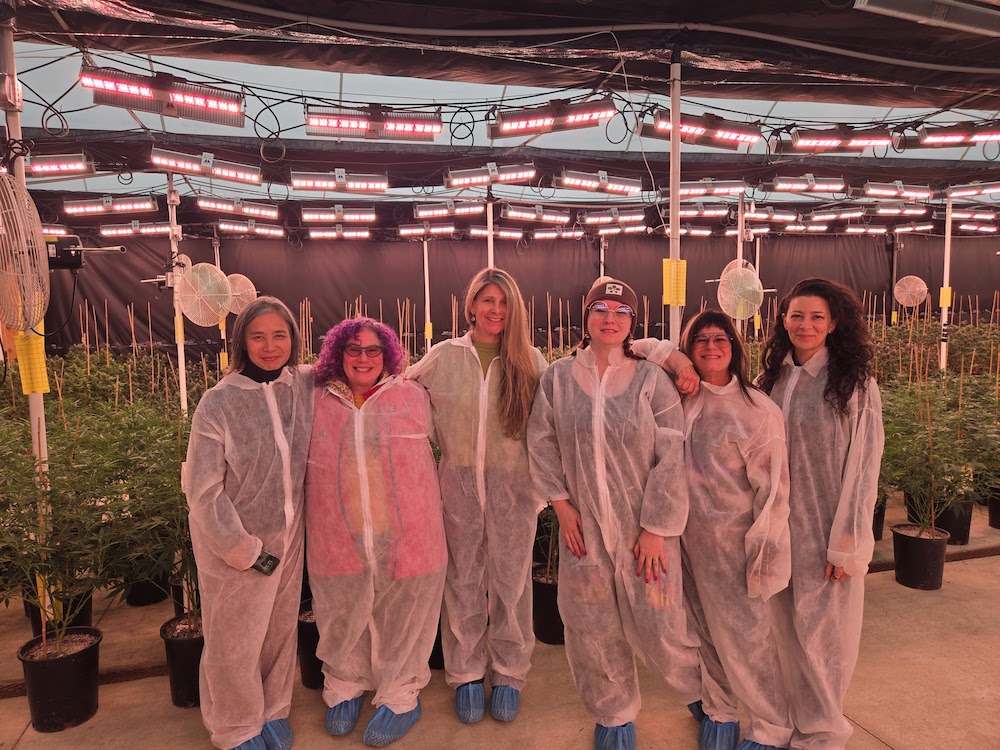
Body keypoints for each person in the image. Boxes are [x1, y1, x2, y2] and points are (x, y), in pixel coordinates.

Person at [526, 276, 700, 750]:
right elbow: (541, 443)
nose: (610, 318)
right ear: (586, 318)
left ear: (632, 322)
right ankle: (613, 715)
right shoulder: (558, 378)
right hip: (582, 530)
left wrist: (655, 528)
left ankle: (704, 696)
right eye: (600, 309)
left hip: (646, 533)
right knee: (591, 628)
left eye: (621, 312)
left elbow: (672, 453)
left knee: (663, 623)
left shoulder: (651, 380)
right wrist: (560, 506)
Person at [406, 267, 547, 725]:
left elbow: (550, 428)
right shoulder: (444, 356)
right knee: (463, 580)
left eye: (504, 303)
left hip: (514, 490)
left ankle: (508, 672)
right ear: (471, 305)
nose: (496, 311)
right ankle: (466, 673)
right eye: (488, 301)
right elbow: (399, 395)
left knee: (512, 583)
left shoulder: (531, 361)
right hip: (458, 487)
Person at [305, 318, 447, 747]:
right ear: (336, 354)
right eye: (353, 349)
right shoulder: (316, 399)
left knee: (404, 615)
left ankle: (401, 694)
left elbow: (458, 436)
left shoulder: (412, 395)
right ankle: (345, 684)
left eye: (372, 350)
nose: (363, 358)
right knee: (340, 611)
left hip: (409, 533)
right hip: (337, 534)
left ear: (387, 354)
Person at [757, 278, 884, 750]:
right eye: (796, 315)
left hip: (826, 530)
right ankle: (794, 721)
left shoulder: (853, 384)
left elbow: (865, 465)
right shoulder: (772, 379)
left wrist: (848, 542)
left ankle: (825, 731)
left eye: (816, 317)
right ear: (783, 321)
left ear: (833, 324)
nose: (805, 325)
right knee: (783, 633)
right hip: (776, 531)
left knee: (825, 639)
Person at [183, 296, 313, 750]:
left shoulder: (301, 385)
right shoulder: (218, 403)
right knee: (234, 640)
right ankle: (235, 726)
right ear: (242, 342)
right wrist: (243, 550)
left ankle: (273, 708)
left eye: (280, 335)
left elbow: (357, 362)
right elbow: (203, 491)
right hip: (236, 549)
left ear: (294, 339)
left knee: (279, 631)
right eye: (258, 336)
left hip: (291, 539)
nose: (270, 346)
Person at [678, 309, 793, 750]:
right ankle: (721, 710)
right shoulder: (676, 398)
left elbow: (774, 490)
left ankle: (771, 726)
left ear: (735, 347)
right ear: (687, 350)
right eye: (700, 339)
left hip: (733, 545)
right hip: (683, 543)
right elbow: (643, 348)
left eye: (720, 338)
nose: (711, 346)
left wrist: (762, 554)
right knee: (701, 633)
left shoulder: (755, 409)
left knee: (749, 640)